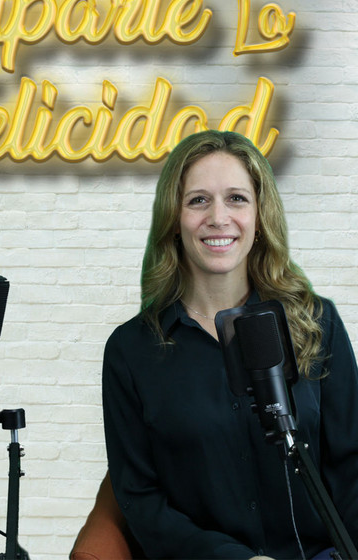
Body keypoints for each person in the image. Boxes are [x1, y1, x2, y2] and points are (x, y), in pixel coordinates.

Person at [102, 130, 358, 559]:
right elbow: (139, 498)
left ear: (259, 216)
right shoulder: (130, 351)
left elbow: (352, 463)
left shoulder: (317, 321)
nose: (218, 217)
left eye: (236, 199)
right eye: (198, 200)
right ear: (174, 218)